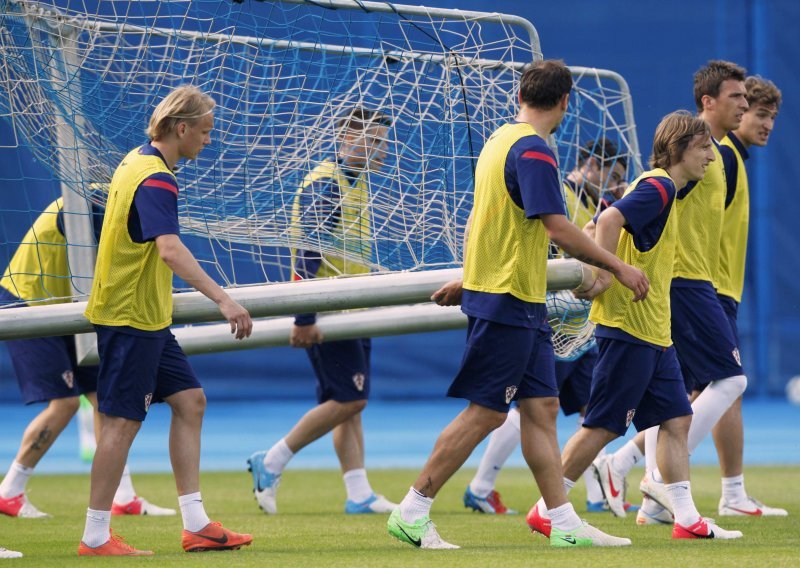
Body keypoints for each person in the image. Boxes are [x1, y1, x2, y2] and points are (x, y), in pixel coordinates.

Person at [387, 59, 649, 550]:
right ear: (565, 101)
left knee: (543, 407)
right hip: (508, 298)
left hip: (517, 297)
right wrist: (617, 266)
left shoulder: (499, 141)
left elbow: (480, 222)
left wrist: (469, 278)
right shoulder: (534, 151)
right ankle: (412, 508)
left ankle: (564, 523)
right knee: (486, 412)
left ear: (521, 95)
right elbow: (558, 228)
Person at [527, 110, 742, 540]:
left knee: (678, 420)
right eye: (704, 149)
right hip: (629, 327)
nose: (712, 159)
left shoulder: (664, 188)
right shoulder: (660, 185)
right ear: (680, 149)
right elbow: (607, 222)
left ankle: (685, 518)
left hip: (654, 331)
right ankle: (546, 509)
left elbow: (600, 217)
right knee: (603, 426)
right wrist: (609, 273)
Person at [78, 85, 253, 556]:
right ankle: (94, 537)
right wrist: (224, 300)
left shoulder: (133, 160)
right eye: (204, 131)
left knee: (191, 401)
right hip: (130, 317)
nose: (207, 140)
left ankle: (196, 524)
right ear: (181, 128)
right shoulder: (156, 177)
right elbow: (169, 249)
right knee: (119, 424)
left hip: (147, 318)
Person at [631, 61, 776, 525]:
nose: (752, 110)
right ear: (709, 102)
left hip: (698, 285)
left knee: (670, 395)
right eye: (742, 101)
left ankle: (645, 491)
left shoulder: (721, 155)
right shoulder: (709, 154)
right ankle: (647, 475)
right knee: (728, 381)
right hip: (692, 285)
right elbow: (654, 198)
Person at [462, 139, 633, 515]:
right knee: (528, 407)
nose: (615, 185)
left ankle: (595, 494)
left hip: (579, 327)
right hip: (551, 318)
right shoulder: (560, 193)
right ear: (589, 163)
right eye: (612, 176)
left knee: (594, 408)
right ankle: (481, 485)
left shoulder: (595, 204)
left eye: (621, 180)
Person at [247, 108, 397, 516]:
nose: (383, 150)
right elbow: (307, 254)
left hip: (351, 309)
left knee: (347, 400)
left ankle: (359, 492)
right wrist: (305, 317)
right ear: (348, 139)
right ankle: (272, 460)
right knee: (350, 400)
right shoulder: (327, 184)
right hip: (331, 313)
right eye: (375, 140)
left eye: (384, 140)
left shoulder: (356, 181)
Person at [0, 200, 175, 519]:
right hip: (29, 303)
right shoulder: (88, 206)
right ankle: (9, 491)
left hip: (70, 306)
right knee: (65, 403)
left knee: (102, 400)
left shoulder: (119, 202)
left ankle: (122, 497)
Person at [711, 75, 785, 517]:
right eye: (759, 113)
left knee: (708, 393)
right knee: (727, 386)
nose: (766, 123)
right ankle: (624, 463)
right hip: (707, 290)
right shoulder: (721, 158)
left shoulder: (734, 159)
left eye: (772, 117)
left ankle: (650, 481)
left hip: (718, 291)